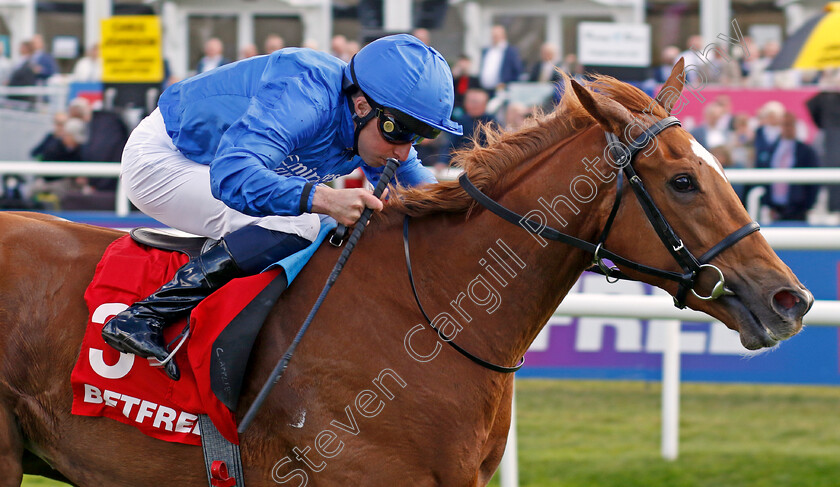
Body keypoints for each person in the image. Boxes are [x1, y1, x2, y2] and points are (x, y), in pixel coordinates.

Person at [101, 34, 463, 380]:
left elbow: (421, 190)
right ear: (362, 105)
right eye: (397, 131)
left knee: (311, 225)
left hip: (214, 165)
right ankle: (145, 315)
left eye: (417, 135)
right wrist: (323, 198)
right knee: (304, 224)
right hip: (167, 160)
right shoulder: (305, 95)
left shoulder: (367, 118)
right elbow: (232, 176)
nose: (404, 149)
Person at [756, 111, 818, 221]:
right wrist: (767, 202)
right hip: (775, 207)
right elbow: (763, 175)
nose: (787, 128)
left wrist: (808, 205)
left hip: (798, 207)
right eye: (784, 124)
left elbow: (814, 181)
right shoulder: (772, 149)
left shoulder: (805, 151)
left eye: (790, 124)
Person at [478, 25, 523, 95]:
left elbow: (517, 71)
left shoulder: (510, 51)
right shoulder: (486, 50)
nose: (494, 38)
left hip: (502, 90)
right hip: (484, 89)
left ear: (503, 36)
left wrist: (506, 84)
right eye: (493, 35)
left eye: (496, 35)